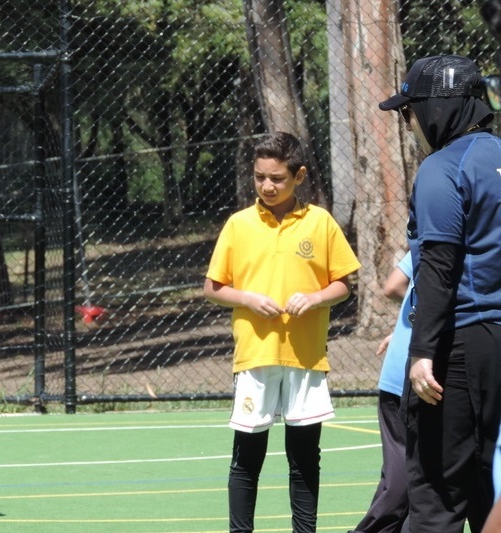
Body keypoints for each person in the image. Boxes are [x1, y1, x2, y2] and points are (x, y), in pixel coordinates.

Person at [202, 131, 361, 533]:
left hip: (305, 356)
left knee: (305, 457)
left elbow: (343, 284)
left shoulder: (320, 222)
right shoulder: (238, 225)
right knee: (247, 456)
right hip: (255, 356)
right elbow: (214, 288)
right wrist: (250, 299)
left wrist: (316, 297)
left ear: (299, 175)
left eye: (277, 178)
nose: (267, 186)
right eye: (260, 177)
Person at [379, 54, 501, 532]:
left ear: (435, 109)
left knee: (437, 492)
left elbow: (439, 266)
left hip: (460, 343)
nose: (408, 124)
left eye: (409, 112)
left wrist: (423, 351)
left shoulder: (442, 168)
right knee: (489, 490)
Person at [350, 252, 412, 533]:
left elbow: (394, 286)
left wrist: (408, 324)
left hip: (402, 368)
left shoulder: (432, 231)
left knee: (406, 471)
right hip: (427, 372)